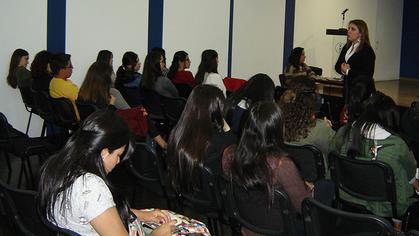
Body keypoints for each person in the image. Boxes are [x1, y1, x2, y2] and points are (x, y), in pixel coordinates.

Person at [38, 110, 176, 235]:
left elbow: (96, 212)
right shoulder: (91, 187)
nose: (117, 162)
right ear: (104, 153)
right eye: (118, 154)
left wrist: (143, 215)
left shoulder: (58, 166)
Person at [224, 101, 312, 235]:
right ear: (278, 129)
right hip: (280, 230)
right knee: (325, 188)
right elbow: (303, 207)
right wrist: (309, 190)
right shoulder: (282, 165)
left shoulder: (230, 154)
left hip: (246, 226)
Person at [330, 91, 417, 217]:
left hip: (347, 195)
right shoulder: (397, 145)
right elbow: (411, 174)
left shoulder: (343, 133)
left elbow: (331, 154)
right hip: (385, 206)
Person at [77, 62, 167, 149]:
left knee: (140, 113)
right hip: (109, 129)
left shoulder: (83, 94)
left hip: (93, 131)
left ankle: (161, 145)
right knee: (142, 115)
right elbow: (107, 118)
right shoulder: (102, 96)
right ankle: (162, 145)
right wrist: (112, 104)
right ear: (104, 78)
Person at [168, 84, 236, 193]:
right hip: (212, 200)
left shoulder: (177, 133)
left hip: (185, 194)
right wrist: (226, 127)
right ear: (217, 110)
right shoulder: (223, 141)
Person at [278, 76, 335, 163]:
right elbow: (334, 150)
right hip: (316, 176)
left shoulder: (276, 124)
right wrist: (328, 129)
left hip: (286, 172)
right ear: (312, 100)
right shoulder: (320, 128)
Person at [335, 19, 376, 103]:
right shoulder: (346, 47)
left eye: (353, 29)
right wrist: (343, 70)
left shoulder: (367, 50)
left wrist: (348, 71)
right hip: (347, 89)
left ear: (361, 33)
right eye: (348, 28)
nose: (349, 31)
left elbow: (368, 74)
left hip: (361, 92)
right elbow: (337, 66)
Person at [49, 53, 80, 120]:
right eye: (70, 66)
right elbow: (84, 100)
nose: (72, 67)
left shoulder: (53, 82)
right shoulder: (67, 87)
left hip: (64, 117)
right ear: (61, 69)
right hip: (79, 117)